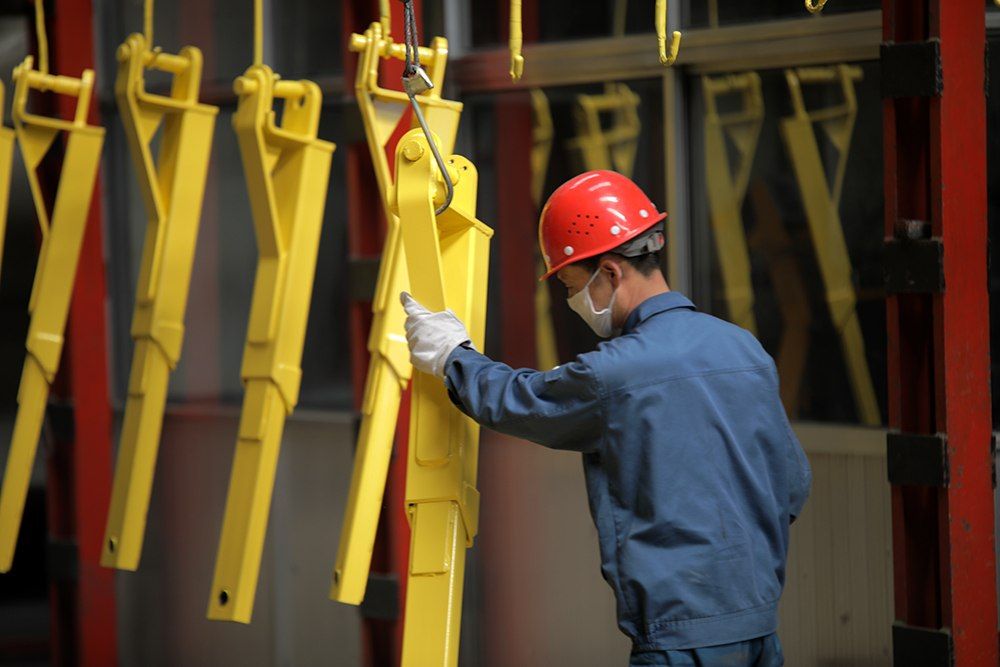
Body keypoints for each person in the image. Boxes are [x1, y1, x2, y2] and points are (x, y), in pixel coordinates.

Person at [400, 170, 810, 666]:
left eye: (573, 285)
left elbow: (522, 401)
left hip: (680, 642)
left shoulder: (617, 372)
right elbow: (791, 487)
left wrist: (452, 356)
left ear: (611, 273)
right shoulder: (744, 348)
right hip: (761, 632)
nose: (575, 302)